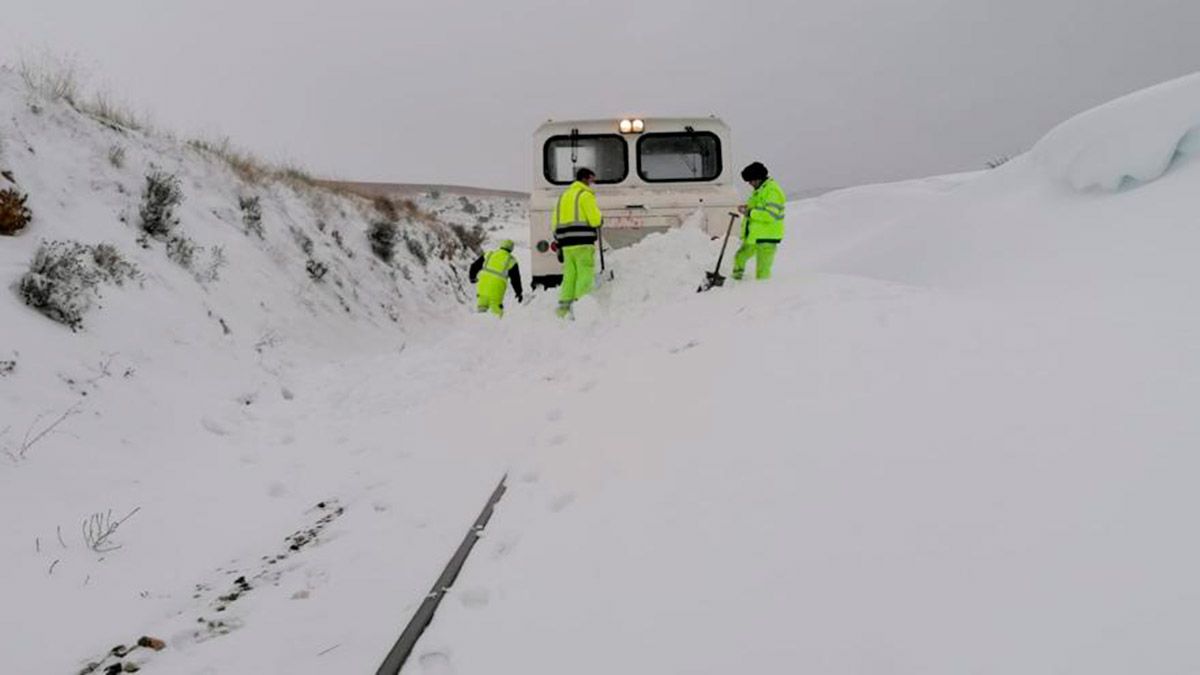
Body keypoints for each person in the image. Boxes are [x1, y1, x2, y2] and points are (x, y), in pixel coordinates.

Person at [552, 167, 604, 318]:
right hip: (583, 242)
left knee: (569, 275)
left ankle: (563, 308)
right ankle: (581, 307)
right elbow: (594, 220)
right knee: (585, 274)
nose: (592, 183)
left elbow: (554, 223)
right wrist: (600, 219)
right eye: (592, 180)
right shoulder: (585, 195)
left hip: (566, 244)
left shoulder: (563, 197)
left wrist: (559, 242)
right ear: (586, 178)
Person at [733, 162, 786, 280]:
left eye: (751, 181)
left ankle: (762, 293)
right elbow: (757, 207)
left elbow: (770, 215)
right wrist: (747, 207)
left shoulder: (772, 191)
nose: (750, 184)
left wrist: (749, 212)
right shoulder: (760, 190)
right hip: (755, 236)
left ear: (758, 178)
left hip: (767, 238)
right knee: (740, 257)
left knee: (762, 272)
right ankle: (736, 281)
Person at [468, 239, 523, 317]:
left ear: (501, 246)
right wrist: (519, 293)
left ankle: (480, 327)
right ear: (511, 249)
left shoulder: (489, 254)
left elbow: (474, 266)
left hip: (482, 288)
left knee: (480, 312)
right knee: (497, 314)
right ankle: (496, 327)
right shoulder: (511, 261)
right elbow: (515, 280)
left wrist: (472, 278)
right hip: (496, 291)